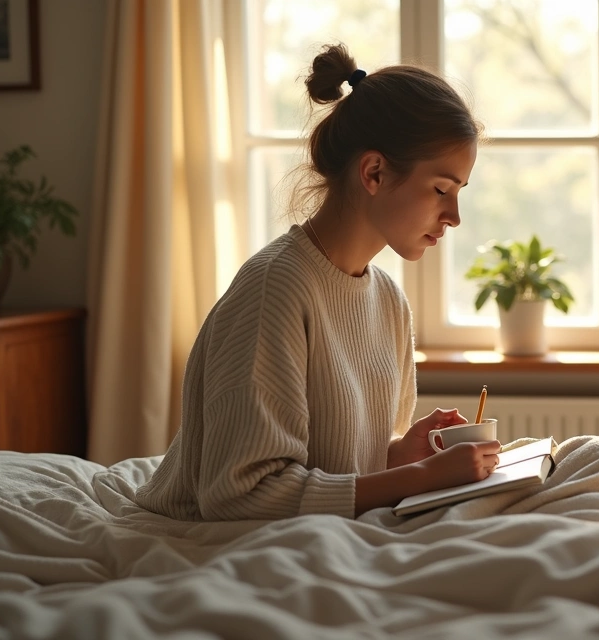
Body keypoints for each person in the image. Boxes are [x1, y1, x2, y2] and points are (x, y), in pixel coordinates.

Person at [135, 43, 499, 521]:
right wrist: (422, 479)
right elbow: (238, 494)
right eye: (441, 190)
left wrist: (400, 454)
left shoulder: (388, 300)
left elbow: (334, 471)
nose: (453, 217)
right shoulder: (275, 290)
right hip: (202, 540)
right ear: (374, 172)